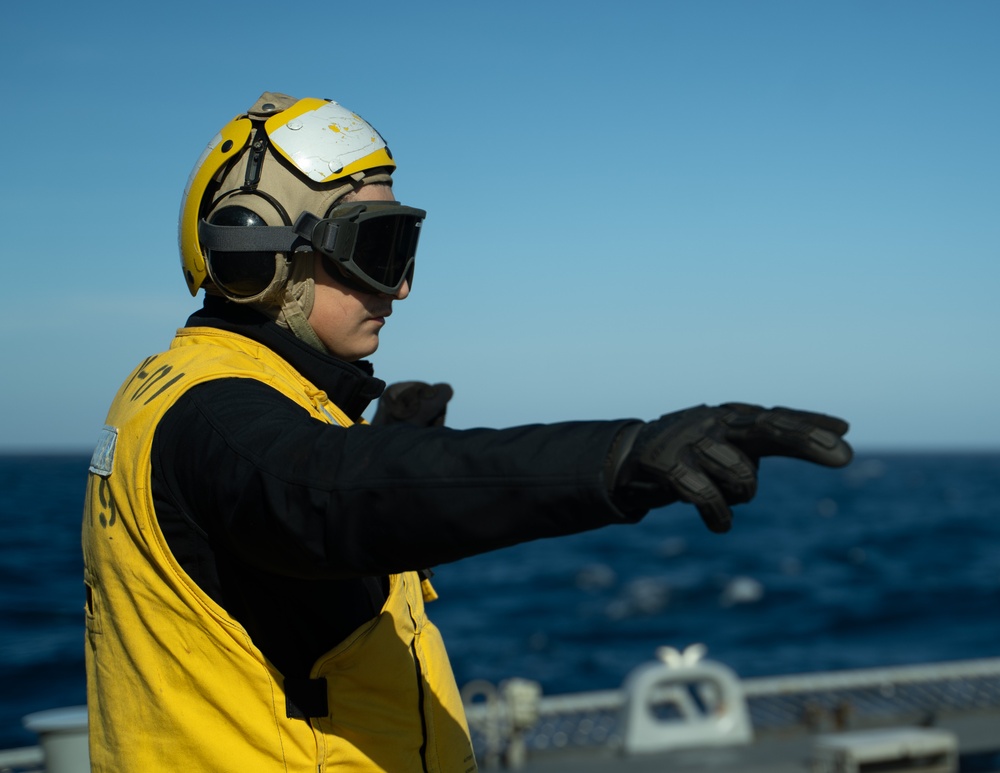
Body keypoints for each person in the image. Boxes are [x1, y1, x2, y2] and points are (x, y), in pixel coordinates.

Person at [82, 92, 853, 772]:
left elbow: (302, 540)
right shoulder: (218, 415)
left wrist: (381, 444)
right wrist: (624, 459)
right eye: (376, 250)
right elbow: (331, 497)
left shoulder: (200, 396)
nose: (402, 287)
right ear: (256, 249)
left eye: (404, 250)